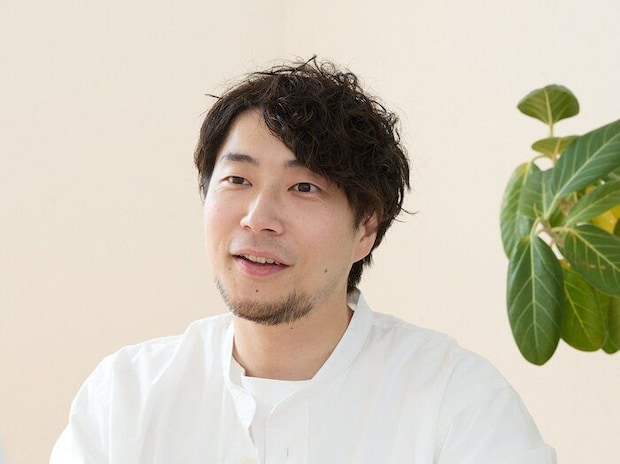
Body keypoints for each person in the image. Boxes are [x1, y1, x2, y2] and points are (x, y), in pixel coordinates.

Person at [51, 58, 556, 463]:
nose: (258, 218)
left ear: (366, 229)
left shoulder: (458, 401)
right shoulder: (126, 396)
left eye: (304, 187)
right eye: (237, 180)